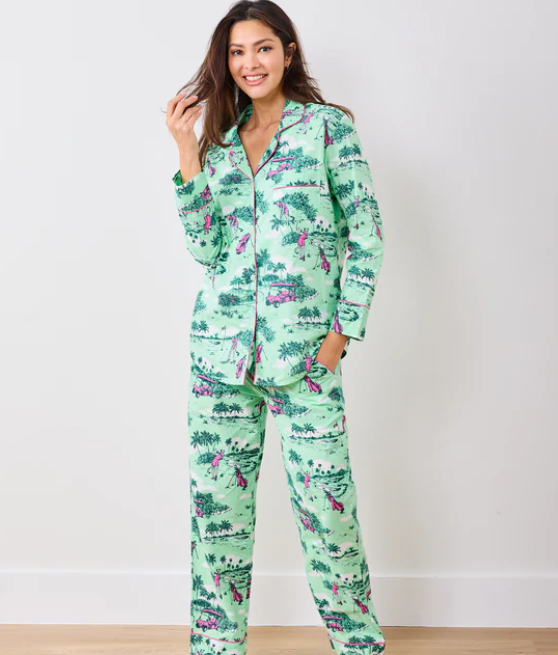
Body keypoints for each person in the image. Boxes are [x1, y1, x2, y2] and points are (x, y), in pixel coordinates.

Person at [165, 2, 386, 653]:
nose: (249, 63)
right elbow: (207, 249)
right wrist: (186, 150)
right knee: (217, 520)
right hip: (219, 358)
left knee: (328, 512)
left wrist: (341, 333)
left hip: (306, 358)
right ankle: (215, 646)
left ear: (288, 52)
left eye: (262, 48)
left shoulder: (327, 129)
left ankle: (358, 642)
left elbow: (367, 232)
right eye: (237, 52)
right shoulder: (219, 142)